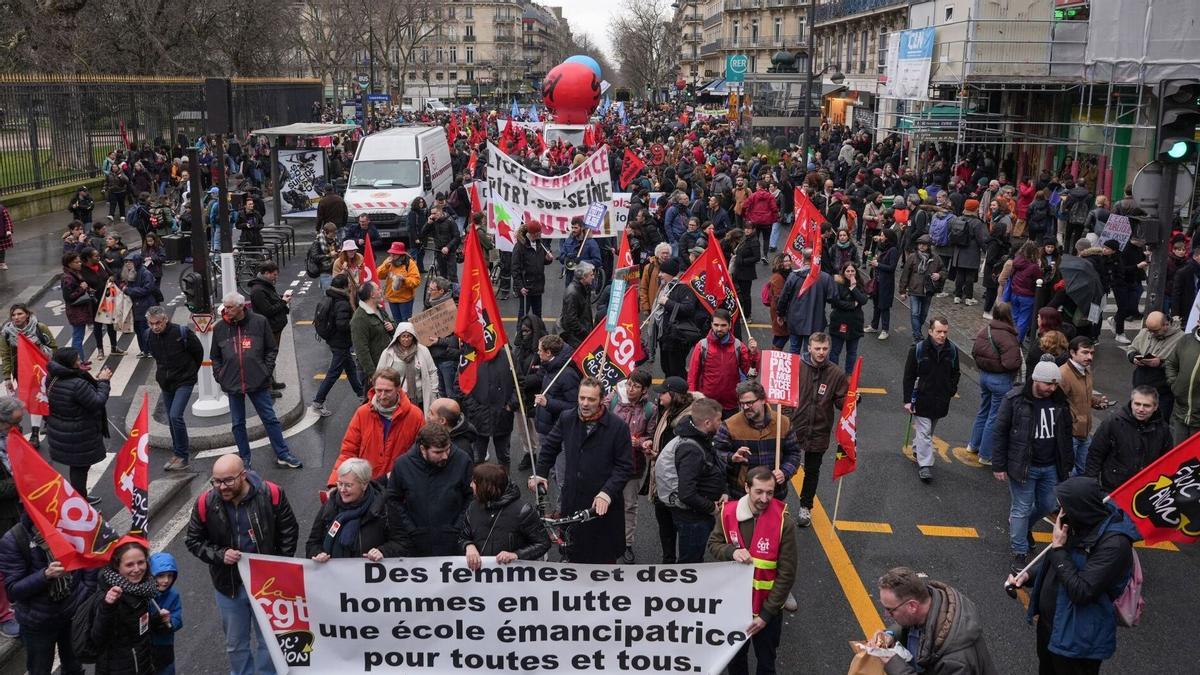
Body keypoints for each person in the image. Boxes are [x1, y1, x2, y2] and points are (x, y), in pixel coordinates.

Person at [1006, 477, 1139, 675]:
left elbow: (1082, 590)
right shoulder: (1079, 524)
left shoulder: (1115, 546)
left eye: (1063, 508)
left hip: (1077, 640)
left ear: (1080, 509)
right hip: (1053, 626)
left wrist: (1059, 548)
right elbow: (1057, 563)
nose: (1059, 515)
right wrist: (1028, 576)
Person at [185, 455, 298, 675]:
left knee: (269, 642)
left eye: (228, 481)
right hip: (229, 587)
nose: (221, 487)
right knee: (236, 645)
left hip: (267, 585)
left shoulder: (271, 494)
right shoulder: (206, 502)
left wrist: (276, 568)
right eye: (216, 481)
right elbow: (193, 540)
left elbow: (288, 533)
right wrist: (220, 555)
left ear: (243, 476)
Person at [531, 377, 634, 563]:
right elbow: (549, 447)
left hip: (602, 507)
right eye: (582, 398)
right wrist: (540, 473)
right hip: (573, 500)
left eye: (591, 399)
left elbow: (625, 466)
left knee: (602, 559)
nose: (585, 403)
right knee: (572, 552)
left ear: (602, 399)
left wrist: (607, 493)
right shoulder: (567, 418)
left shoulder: (618, 427)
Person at [707, 466, 798, 675]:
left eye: (770, 492)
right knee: (736, 662)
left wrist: (765, 615)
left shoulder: (785, 522)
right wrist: (731, 552)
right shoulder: (727, 513)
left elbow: (787, 574)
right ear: (746, 487)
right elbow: (714, 543)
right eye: (759, 491)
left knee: (766, 662)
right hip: (735, 607)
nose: (765, 499)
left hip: (768, 611)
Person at [991, 356, 1074, 572]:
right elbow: (1000, 432)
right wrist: (999, 465)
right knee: (1021, 507)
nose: (1052, 388)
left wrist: (1067, 463)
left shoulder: (1059, 401)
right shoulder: (1014, 399)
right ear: (1036, 380)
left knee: (1047, 505)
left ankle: (1023, 527)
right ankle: (1019, 552)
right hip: (1023, 466)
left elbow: (1065, 434)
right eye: (1048, 384)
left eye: (1055, 384)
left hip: (1050, 466)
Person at [211, 292, 303, 470]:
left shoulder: (259, 322)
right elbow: (215, 356)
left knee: (270, 419)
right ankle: (244, 460)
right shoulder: (220, 328)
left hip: (257, 381)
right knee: (238, 424)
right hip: (232, 383)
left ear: (240, 307)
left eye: (229, 307)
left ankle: (282, 454)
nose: (225, 310)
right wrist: (220, 375)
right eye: (224, 306)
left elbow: (271, 349)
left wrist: (265, 371)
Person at [0, 506, 97, 674]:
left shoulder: (71, 526)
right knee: (40, 669)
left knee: (74, 666)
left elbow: (89, 560)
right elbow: (13, 591)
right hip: (38, 623)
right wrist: (45, 575)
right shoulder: (14, 539)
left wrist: (84, 595)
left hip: (72, 614)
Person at [870, 567, 998, 674]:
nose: (886, 614)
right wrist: (890, 635)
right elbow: (909, 623)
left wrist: (895, 666)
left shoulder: (955, 661)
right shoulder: (930, 604)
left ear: (912, 606)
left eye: (890, 610)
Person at [82, 539, 171, 675]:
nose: (137, 569)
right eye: (129, 565)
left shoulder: (142, 588)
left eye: (141, 562)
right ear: (117, 566)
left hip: (144, 665)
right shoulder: (108, 595)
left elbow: (136, 629)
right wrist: (108, 607)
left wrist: (157, 620)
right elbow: (98, 639)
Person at [788, 333, 849, 523]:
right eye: (817, 348)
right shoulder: (797, 367)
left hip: (819, 430)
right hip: (794, 428)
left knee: (813, 471)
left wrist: (851, 399)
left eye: (824, 349)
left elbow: (840, 401)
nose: (821, 352)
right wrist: (786, 421)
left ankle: (806, 506)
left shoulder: (836, 373)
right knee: (784, 467)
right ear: (809, 348)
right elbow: (786, 394)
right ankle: (776, 503)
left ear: (829, 348)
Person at [326, 368, 424, 487]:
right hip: (368, 486)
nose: (382, 396)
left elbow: (420, 455)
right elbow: (348, 451)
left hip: (399, 487)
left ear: (398, 389)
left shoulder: (415, 416)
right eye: (379, 390)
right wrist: (334, 483)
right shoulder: (362, 413)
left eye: (388, 391)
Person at [656, 397, 727, 563]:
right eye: (719, 419)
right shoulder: (692, 450)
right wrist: (711, 508)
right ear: (708, 423)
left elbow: (713, 467)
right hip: (693, 518)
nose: (722, 423)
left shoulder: (698, 438)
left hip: (695, 514)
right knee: (690, 563)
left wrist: (724, 490)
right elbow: (686, 493)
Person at [387, 422, 473, 556]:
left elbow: (471, 497)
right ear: (423, 449)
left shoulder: (462, 460)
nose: (445, 456)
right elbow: (393, 500)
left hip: (454, 541)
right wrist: (411, 528)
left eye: (447, 449)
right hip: (417, 543)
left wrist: (458, 527)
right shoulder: (403, 465)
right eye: (438, 452)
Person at [44, 348, 111, 506]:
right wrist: (104, 382)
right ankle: (81, 505)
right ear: (69, 363)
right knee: (80, 469)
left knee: (78, 468)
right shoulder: (77, 384)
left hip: (64, 430)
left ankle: (81, 498)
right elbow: (96, 402)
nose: (80, 361)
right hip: (79, 433)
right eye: (77, 359)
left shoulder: (52, 378)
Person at [308, 458, 403, 561]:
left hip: (369, 575)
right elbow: (313, 542)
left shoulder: (384, 508)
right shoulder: (330, 505)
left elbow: (401, 543)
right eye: (340, 483)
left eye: (348, 485)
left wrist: (383, 551)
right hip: (333, 576)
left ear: (364, 485)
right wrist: (317, 553)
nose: (342, 490)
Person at [902, 317, 961, 483]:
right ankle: (925, 465)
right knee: (924, 430)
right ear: (930, 331)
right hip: (922, 399)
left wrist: (951, 389)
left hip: (941, 400)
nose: (942, 335)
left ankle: (917, 448)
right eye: (939, 332)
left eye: (945, 332)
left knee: (928, 431)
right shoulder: (918, 350)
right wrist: (907, 400)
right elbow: (909, 376)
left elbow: (955, 373)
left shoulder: (953, 351)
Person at [460, 463, 550, 570]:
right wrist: (468, 546)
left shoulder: (523, 511)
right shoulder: (473, 507)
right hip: (481, 579)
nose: (470, 485)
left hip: (512, 579)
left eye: (474, 482)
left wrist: (516, 555)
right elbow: (463, 536)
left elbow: (543, 543)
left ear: (487, 487)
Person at [145, 306, 203, 471]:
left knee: (175, 416)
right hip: (166, 382)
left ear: (165, 320)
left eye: (158, 323)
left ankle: (183, 456)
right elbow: (157, 358)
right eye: (151, 323)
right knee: (171, 419)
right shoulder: (149, 335)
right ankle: (177, 454)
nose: (155, 326)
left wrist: (190, 373)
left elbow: (198, 352)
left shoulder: (181, 332)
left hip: (184, 381)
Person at [1084, 386, 1172, 492]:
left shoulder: (1162, 428)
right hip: (1115, 488)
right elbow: (1095, 454)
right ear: (1131, 402)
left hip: (1147, 489)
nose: (1141, 409)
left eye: (1147, 405)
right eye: (1137, 404)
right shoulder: (1113, 423)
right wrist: (1092, 486)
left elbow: (1168, 459)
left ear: (1155, 407)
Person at [969, 302, 1022, 466]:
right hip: (1000, 379)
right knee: (995, 417)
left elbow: (974, 351)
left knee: (983, 410)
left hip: (984, 377)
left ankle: (974, 444)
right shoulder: (1008, 336)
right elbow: (1011, 363)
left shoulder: (985, 330)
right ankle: (985, 454)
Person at [685, 309, 759, 416]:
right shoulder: (702, 346)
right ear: (711, 325)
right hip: (707, 403)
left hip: (731, 404)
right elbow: (692, 376)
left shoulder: (738, 346)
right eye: (716, 325)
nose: (719, 328)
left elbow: (751, 373)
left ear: (730, 325)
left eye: (723, 325)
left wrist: (753, 354)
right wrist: (692, 397)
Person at [0, 304, 55, 447]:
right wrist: (7, 378)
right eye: (13, 315)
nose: (16, 317)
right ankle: (35, 434)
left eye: (19, 314)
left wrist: (37, 346)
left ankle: (47, 423)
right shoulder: (7, 333)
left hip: (41, 370)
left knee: (42, 396)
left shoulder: (39, 328)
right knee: (32, 399)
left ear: (27, 315)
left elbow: (54, 348)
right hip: (22, 372)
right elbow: (5, 356)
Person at [310, 274, 364, 416]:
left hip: (335, 341)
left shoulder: (330, 296)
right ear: (345, 286)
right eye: (349, 284)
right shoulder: (342, 302)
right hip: (340, 342)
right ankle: (318, 401)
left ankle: (362, 395)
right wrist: (355, 323)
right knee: (334, 373)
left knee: (351, 369)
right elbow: (342, 324)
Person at [1122, 311, 1182, 422]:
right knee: (1134, 423)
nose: (1151, 333)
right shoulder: (1146, 332)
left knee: (1159, 424)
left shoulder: (1181, 339)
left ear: (1166, 325)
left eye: (1155, 331)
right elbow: (1132, 348)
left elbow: (1180, 365)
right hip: (1140, 387)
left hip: (1162, 392)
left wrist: (1160, 363)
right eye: (1149, 330)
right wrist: (1133, 357)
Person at [1059, 336, 1106, 476]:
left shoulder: (1086, 370)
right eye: (1085, 352)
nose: (1089, 356)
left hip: (1084, 431)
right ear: (1072, 353)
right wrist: (1071, 421)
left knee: (1085, 471)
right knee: (1068, 473)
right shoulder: (1063, 375)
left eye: (1092, 353)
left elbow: (1082, 395)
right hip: (1070, 433)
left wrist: (1096, 402)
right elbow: (1058, 405)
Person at [777, 248, 838, 353]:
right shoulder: (825, 277)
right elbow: (833, 298)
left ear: (802, 258)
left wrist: (780, 314)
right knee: (810, 352)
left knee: (794, 349)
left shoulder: (793, 276)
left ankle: (795, 369)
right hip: (815, 321)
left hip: (795, 320)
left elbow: (783, 298)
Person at [462, 355, 517, 467]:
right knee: (477, 459)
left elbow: (518, 382)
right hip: (479, 419)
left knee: (504, 458)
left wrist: (511, 404)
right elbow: (461, 385)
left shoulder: (508, 355)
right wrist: (474, 408)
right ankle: (479, 483)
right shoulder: (470, 356)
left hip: (503, 416)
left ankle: (505, 483)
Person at [656, 257, 707, 378]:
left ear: (671, 273)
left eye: (663, 272)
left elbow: (688, 309)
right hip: (665, 336)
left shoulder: (683, 288)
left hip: (677, 338)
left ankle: (679, 395)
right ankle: (669, 393)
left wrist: (667, 303)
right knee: (666, 368)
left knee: (676, 370)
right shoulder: (667, 286)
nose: (659, 275)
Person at [246, 260, 291, 394]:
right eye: (274, 275)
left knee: (271, 356)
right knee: (269, 357)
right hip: (269, 328)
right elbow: (268, 310)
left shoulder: (265, 286)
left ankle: (270, 382)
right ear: (266, 273)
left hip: (275, 327)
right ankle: (267, 387)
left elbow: (271, 301)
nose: (276, 277)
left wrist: (282, 298)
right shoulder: (258, 290)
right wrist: (283, 302)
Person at [376, 322, 439, 413]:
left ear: (413, 336)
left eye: (409, 336)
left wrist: (434, 391)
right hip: (397, 398)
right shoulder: (388, 353)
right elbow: (379, 375)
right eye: (403, 336)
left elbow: (432, 371)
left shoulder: (423, 350)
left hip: (420, 397)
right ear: (398, 337)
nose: (406, 339)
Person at [898, 234, 943, 343]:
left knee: (923, 314)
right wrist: (902, 291)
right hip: (914, 289)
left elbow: (944, 270)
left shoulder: (935, 258)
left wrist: (939, 275)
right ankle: (918, 336)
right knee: (914, 313)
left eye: (924, 244)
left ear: (928, 246)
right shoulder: (912, 257)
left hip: (928, 290)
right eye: (920, 244)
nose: (921, 246)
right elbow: (905, 274)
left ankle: (916, 331)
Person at [78, 248, 121, 358]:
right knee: (97, 326)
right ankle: (100, 350)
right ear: (88, 258)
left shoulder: (101, 264)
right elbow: (81, 285)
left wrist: (111, 278)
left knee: (111, 324)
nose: (98, 257)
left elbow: (111, 274)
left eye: (98, 255)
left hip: (108, 300)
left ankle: (114, 347)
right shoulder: (81, 270)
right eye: (95, 256)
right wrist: (88, 289)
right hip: (95, 302)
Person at [349, 281, 395, 385]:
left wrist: (392, 327)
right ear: (372, 295)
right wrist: (373, 375)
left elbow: (392, 324)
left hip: (386, 365)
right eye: (378, 289)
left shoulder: (379, 309)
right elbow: (362, 350)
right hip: (374, 371)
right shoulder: (359, 319)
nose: (381, 291)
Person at [424, 276, 461, 397]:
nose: (429, 292)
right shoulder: (429, 305)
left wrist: (439, 341)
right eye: (429, 289)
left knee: (451, 393)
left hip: (447, 359)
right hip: (433, 358)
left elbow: (457, 341)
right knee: (441, 392)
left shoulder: (454, 309)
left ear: (441, 291)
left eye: (432, 289)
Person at [828, 261, 869, 369]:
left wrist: (853, 288)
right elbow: (835, 301)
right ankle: (833, 373)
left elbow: (863, 300)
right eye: (848, 271)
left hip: (855, 323)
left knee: (852, 352)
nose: (850, 273)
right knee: (835, 350)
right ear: (843, 272)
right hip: (839, 321)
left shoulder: (859, 284)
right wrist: (852, 304)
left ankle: (849, 374)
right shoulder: (837, 283)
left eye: (852, 271)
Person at [148, 553, 183, 675]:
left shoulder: (173, 595)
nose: (166, 580)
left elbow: (178, 619)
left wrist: (170, 622)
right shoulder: (144, 596)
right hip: (145, 649)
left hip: (164, 648)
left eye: (170, 576)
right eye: (161, 576)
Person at [511, 221, 554, 318]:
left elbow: (541, 261)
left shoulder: (540, 244)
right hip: (526, 287)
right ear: (534, 234)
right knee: (523, 314)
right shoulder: (519, 247)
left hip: (538, 286)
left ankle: (538, 332)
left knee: (538, 314)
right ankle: (520, 333)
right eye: (539, 233)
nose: (541, 234)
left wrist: (547, 259)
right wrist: (520, 286)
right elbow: (515, 268)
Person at [866, 228, 901, 340]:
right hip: (877, 280)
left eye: (882, 236)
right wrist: (873, 261)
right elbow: (879, 261)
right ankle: (874, 325)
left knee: (884, 306)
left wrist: (878, 264)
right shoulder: (881, 248)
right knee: (876, 304)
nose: (880, 237)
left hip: (886, 283)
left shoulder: (893, 250)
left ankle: (885, 329)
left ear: (888, 238)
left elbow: (891, 267)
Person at [60, 253, 94, 361]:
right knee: (78, 338)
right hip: (76, 311)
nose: (80, 264)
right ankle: (78, 361)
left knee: (79, 336)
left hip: (81, 310)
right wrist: (82, 288)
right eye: (77, 262)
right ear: (69, 264)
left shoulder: (76, 273)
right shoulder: (68, 278)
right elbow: (68, 297)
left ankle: (81, 360)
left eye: (80, 261)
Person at [558, 260, 596, 347]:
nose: (593, 277)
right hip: (576, 339)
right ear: (584, 277)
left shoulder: (584, 288)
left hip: (581, 334)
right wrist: (585, 333)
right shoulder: (573, 293)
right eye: (591, 275)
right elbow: (571, 320)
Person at [558, 217, 602, 285]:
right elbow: (561, 257)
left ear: (582, 228)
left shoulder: (591, 243)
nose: (573, 230)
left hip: (585, 280)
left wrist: (581, 262)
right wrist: (567, 257)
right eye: (572, 227)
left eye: (576, 228)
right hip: (570, 279)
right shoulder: (568, 241)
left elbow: (597, 261)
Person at [422, 205, 461, 282]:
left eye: (434, 213)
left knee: (452, 274)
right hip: (438, 251)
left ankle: (455, 293)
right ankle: (443, 291)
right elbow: (423, 233)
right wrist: (428, 224)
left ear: (440, 212)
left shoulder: (450, 221)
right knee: (442, 275)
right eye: (431, 213)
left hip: (450, 252)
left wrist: (448, 247)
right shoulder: (433, 222)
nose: (432, 215)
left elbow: (456, 237)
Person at [307, 223, 340, 290]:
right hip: (325, 270)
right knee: (328, 291)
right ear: (325, 233)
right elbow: (314, 257)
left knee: (335, 290)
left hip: (334, 267)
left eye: (334, 234)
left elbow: (337, 248)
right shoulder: (317, 242)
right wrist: (329, 255)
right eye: (331, 235)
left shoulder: (335, 240)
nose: (333, 236)